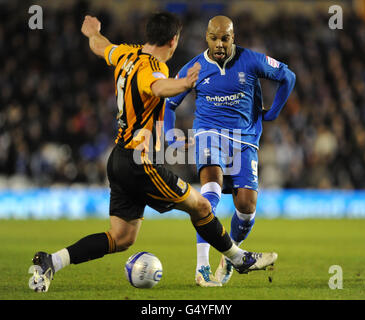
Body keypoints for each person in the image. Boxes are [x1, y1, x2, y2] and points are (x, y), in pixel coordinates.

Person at [28, 13, 277, 292]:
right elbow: (158, 86)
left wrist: (92, 34)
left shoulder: (126, 54)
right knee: (202, 206)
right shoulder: (154, 68)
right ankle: (239, 258)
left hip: (118, 159)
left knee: (122, 238)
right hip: (139, 163)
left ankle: (52, 260)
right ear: (173, 40)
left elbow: (102, 47)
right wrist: (183, 84)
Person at [164, 15, 295, 287]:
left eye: (225, 38)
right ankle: (202, 267)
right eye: (214, 38)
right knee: (209, 195)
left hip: (245, 140)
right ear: (206, 38)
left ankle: (231, 254)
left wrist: (272, 112)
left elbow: (288, 77)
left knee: (246, 209)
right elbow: (169, 103)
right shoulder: (195, 67)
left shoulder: (251, 60)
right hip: (208, 133)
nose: (220, 43)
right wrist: (169, 135)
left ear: (233, 37)